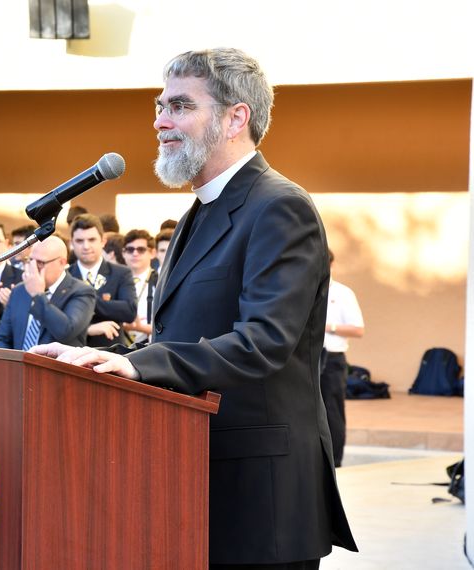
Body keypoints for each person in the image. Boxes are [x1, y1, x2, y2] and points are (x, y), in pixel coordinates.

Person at [33, 48, 356, 568]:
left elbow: (264, 340)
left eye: (180, 106)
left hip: (259, 500)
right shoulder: (196, 213)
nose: (160, 121)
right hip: (192, 484)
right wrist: (92, 358)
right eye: (159, 106)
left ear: (236, 117)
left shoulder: (280, 207)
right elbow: (180, 335)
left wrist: (141, 364)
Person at [0, 236, 95, 350]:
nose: (34, 268)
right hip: (19, 365)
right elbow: (0, 339)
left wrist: (38, 295)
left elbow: (66, 332)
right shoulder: (19, 290)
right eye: (31, 260)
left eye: (40, 263)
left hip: (56, 366)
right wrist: (13, 365)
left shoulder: (82, 291)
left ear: (62, 262)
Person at [322, 249, 365, 467]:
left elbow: (358, 330)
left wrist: (329, 327)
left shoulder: (342, 293)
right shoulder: (303, 289)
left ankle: (335, 461)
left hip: (331, 358)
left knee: (332, 410)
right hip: (306, 358)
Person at [67, 214, 137, 348]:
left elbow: (129, 311)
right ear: (72, 243)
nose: (86, 246)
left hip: (110, 353)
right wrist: (88, 329)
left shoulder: (121, 273)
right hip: (71, 353)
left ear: (103, 241)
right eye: (80, 240)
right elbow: (58, 320)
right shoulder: (65, 276)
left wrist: (84, 301)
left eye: (92, 239)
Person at [121, 230, 157, 344]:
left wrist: (140, 327)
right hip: (115, 345)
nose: (135, 253)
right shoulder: (112, 280)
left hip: (148, 348)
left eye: (141, 249)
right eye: (130, 249)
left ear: (152, 253)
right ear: (123, 253)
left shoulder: (161, 282)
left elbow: (169, 326)